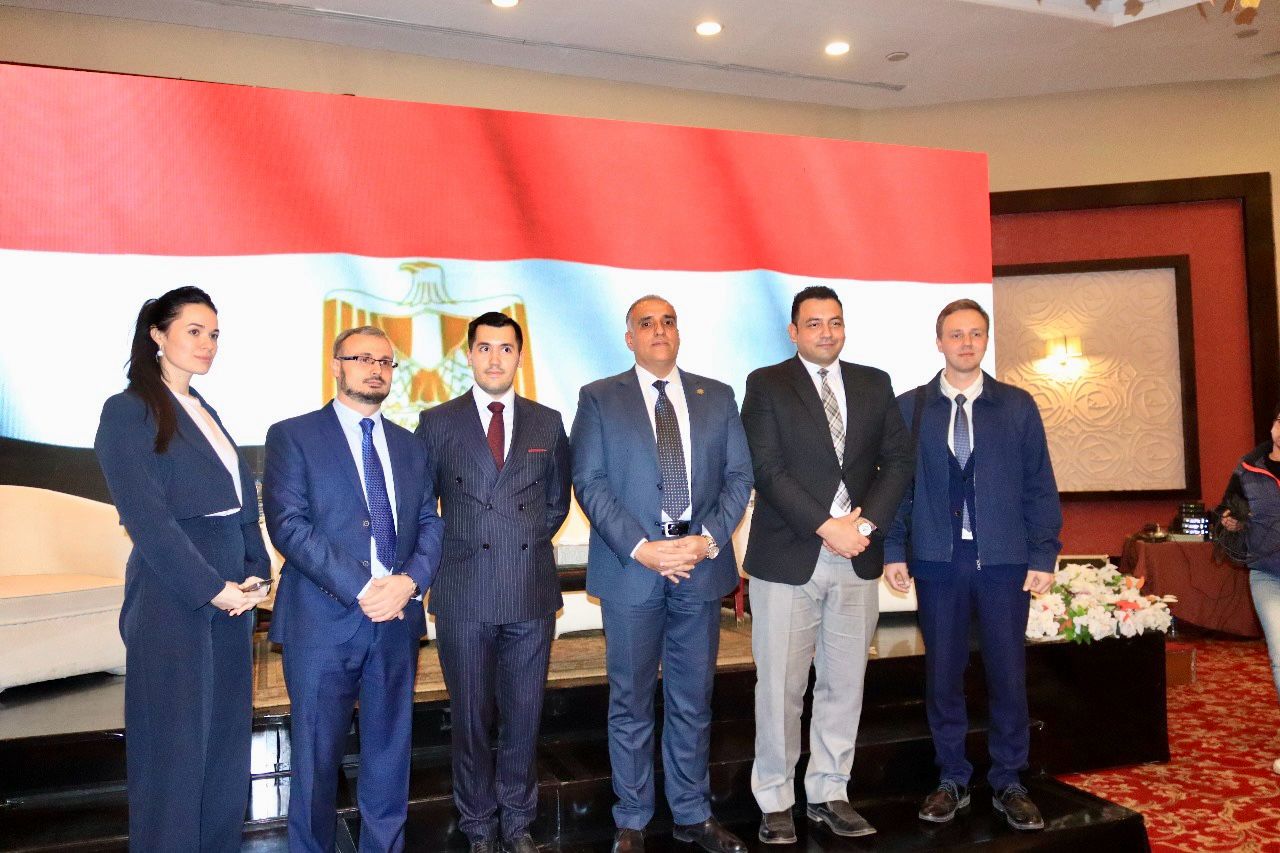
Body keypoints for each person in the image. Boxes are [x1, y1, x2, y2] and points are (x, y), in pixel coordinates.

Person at [570, 295, 753, 853]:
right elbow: (590, 482)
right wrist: (642, 548)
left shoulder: (717, 396)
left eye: (668, 322)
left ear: (679, 333)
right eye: (646, 323)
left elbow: (739, 477)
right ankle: (631, 819)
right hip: (633, 571)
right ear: (629, 338)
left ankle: (692, 814)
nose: (659, 330)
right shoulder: (599, 397)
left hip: (699, 566)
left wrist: (707, 541)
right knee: (630, 701)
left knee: (693, 699)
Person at [94, 286, 272, 852]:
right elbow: (147, 519)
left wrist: (257, 571)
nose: (207, 343)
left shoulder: (204, 409)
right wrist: (211, 587)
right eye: (194, 331)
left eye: (214, 334)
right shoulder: (127, 410)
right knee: (172, 756)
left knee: (224, 750)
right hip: (174, 595)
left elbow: (242, 503)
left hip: (232, 595)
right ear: (157, 335)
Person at [739, 285, 913, 844]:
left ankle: (830, 792)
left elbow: (899, 460)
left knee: (844, 684)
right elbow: (765, 468)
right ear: (794, 332)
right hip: (790, 555)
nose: (826, 332)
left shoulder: (874, 383)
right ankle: (775, 799)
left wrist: (863, 527)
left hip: (856, 557)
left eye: (835, 322)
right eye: (814, 323)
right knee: (780, 688)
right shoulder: (766, 384)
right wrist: (826, 525)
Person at [883, 299, 1061, 832]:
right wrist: (894, 550)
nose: (966, 343)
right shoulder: (910, 408)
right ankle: (952, 778)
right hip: (939, 560)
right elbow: (897, 487)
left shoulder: (1017, 406)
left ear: (986, 340)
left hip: (1003, 560)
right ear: (938, 342)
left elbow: (1039, 482)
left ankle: (1009, 779)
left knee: (1008, 673)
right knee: (943, 675)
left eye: (975, 334)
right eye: (955, 334)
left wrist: (1043, 552)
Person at [263, 325, 444, 853]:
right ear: (336, 365)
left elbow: (429, 522)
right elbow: (288, 524)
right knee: (316, 762)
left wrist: (409, 582)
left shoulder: (411, 446)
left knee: (390, 756)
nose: (376, 369)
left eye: (385, 362)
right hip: (323, 622)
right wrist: (364, 587)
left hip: (397, 619)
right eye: (363, 359)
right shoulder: (293, 435)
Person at [414, 312, 571, 853]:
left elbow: (557, 501)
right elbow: (423, 506)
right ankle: (479, 825)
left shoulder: (547, 422)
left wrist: (518, 538)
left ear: (519, 356)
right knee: (472, 720)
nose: (495, 358)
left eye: (506, 348)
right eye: (484, 348)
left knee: (524, 717)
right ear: (469, 355)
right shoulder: (437, 422)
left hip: (529, 588)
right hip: (463, 590)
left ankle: (518, 822)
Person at [1217, 404, 1280, 775]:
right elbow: (1228, 512)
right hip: (1268, 575)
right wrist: (1232, 522)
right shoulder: (1248, 469)